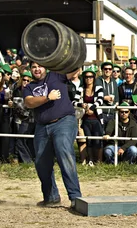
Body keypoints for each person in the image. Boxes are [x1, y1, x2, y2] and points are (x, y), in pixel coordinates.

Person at [23, 62, 82, 208]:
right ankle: (51, 197)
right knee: (41, 162)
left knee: (64, 151)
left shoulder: (56, 75)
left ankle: (75, 198)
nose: (37, 69)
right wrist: (47, 98)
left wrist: (72, 56)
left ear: (46, 67)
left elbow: (75, 68)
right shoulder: (29, 87)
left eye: (40, 66)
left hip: (64, 121)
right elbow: (29, 102)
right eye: (34, 67)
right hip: (42, 126)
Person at [80, 67, 105, 165]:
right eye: (86, 77)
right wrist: (81, 105)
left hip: (97, 118)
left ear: (94, 78)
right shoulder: (81, 89)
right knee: (88, 140)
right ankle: (90, 160)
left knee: (98, 140)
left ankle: (98, 161)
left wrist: (92, 108)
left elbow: (100, 100)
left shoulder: (98, 88)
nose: (88, 79)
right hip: (85, 119)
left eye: (91, 77)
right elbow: (74, 101)